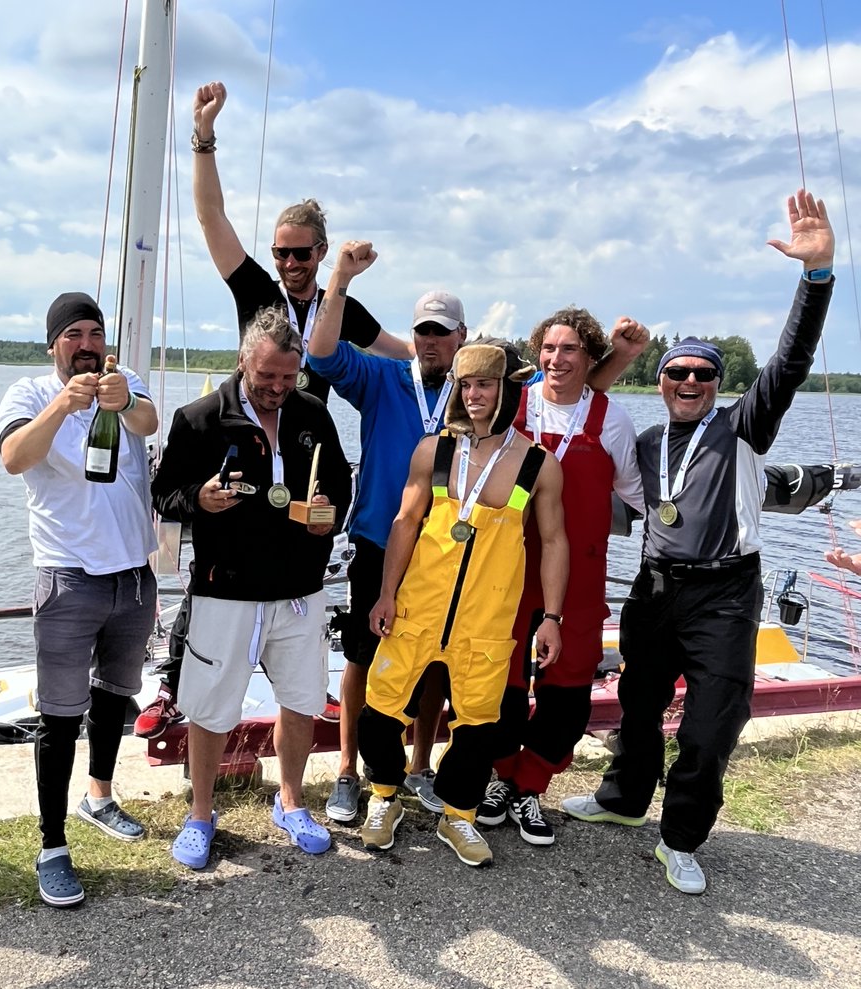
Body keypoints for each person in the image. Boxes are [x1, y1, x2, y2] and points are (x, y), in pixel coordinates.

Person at [562, 189, 836, 895]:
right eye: (677, 372)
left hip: (724, 591)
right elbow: (576, 417)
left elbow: (792, 361)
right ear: (660, 384)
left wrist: (815, 276)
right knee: (638, 704)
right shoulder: (646, 440)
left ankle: (680, 836)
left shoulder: (745, 427)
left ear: (718, 385)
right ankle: (624, 800)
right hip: (656, 585)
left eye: (703, 374)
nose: (689, 382)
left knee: (714, 723)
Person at [132, 80, 410, 738]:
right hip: (242, 435)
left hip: (306, 449)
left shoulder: (341, 307)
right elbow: (211, 219)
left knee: (297, 566)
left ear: (322, 251)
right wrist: (203, 135)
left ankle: (299, 690)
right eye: (281, 250)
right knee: (217, 558)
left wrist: (463, 358)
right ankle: (176, 683)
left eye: (301, 251)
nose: (288, 261)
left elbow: (407, 356)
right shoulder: (257, 289)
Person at [152, 307, 352, 869]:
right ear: (243, 362)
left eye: (288, 378)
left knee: (302, 699)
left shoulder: (312, 412)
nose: (277, 389)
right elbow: (164, 494)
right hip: (225, 591)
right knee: (211, 708)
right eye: (267, 377)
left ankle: (289, 802)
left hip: (299, 590)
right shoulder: (198, 419)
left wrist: (328, 515)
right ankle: (200, 813)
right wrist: (200, 499)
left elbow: (339, 484)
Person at [358, 341, 567, 866]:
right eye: (466, 384)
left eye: (486, 385)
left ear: (508, 389)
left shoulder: (538, 464)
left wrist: (552, 618)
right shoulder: (434, 451)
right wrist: (387, 592)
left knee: (477, 728)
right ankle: (385, 798)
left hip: (487, 620)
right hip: (417, 608)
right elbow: (405, 523)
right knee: (379, 715)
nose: (474, 395)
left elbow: (556, 542)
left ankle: (459, 815)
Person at [0, 291, 159, 908]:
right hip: (67, 576)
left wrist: (125, 398)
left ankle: (100, 796)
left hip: (133, 578)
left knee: (115, 697)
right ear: (53, 345)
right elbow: (14, 458)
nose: (85, 344)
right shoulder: (30, 394)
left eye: (93, 332)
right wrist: (63, 407)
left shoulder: (123, 380)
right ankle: (52, 845)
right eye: (73, 335)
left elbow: (148, 422)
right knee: (60, 716)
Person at [305, 240, 464, 823]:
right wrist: (340, 281)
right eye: (423, 330)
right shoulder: (383, 377)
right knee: (362, 655)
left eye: (441, 332)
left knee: (436, 662)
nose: (430, 341)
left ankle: (419, 767)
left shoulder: (476, 392)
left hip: (446, 548)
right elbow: (320, 355)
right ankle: (348, 770)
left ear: (460, 338)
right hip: (376, 538)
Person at [475, 309, 645, 846]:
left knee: (567, 699)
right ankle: (502, 776)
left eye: (570, 349)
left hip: (580, 579)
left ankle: (530, 786)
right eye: (549, 348)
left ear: (590, 358)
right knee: (496, 691)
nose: (556, 359)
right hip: (507, 570)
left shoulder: (612, 421)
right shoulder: (514, 405)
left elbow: (639, 494)